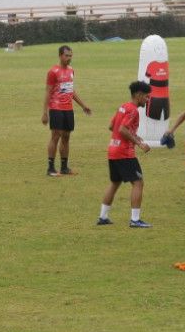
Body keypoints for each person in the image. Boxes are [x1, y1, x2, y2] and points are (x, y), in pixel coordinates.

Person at [97, 81, 153, 228]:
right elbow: (122, 129)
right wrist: (139, 143)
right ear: (139, 95)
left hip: (113, 150)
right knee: (138, 182)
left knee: (115, 183)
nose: (148, 100)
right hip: (124, 153)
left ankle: (103, 216)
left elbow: (112, 127)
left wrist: (134, 136)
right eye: (147, 97)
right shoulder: (133, 110)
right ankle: (135, 220)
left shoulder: (123, 107)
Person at [42, 45, 92, 176]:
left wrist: (83, 105)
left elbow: (71, 91)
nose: (69, 58)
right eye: (66, 55)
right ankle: (51, 168)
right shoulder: (53, 72)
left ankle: (64, 167)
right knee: (55, 136)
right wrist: (45, 112)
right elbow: (48, 92)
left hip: (68, 109)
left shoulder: (71, 70)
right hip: (56, 108)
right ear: (60, 56)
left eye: (70, 56)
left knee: (66, 137)